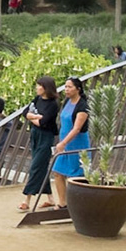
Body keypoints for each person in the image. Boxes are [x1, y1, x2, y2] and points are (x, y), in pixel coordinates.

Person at [20, 75, 59, 212]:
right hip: (35, 135)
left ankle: (27, 199)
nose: (37, 88)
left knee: (36, 166)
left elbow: (44, 123)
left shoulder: (53, 105)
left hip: (46, 137)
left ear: (45, 88)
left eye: (39, 86)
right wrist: (35, 117)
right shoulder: (37, 99)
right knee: (41, 166)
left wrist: (33, 118)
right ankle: (50, 199)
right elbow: (26, 112)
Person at [50, 75, 91, 206]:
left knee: (76, 176)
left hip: (76, 144)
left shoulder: (82, 106)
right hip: (64, 144)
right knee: (57, 172)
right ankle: (63, 203)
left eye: (69, 87)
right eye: (66, 87)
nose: (66, 89)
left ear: (78, 89)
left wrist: (63, 143)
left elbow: (76, 128)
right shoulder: (67, 102)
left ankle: (78, 205)